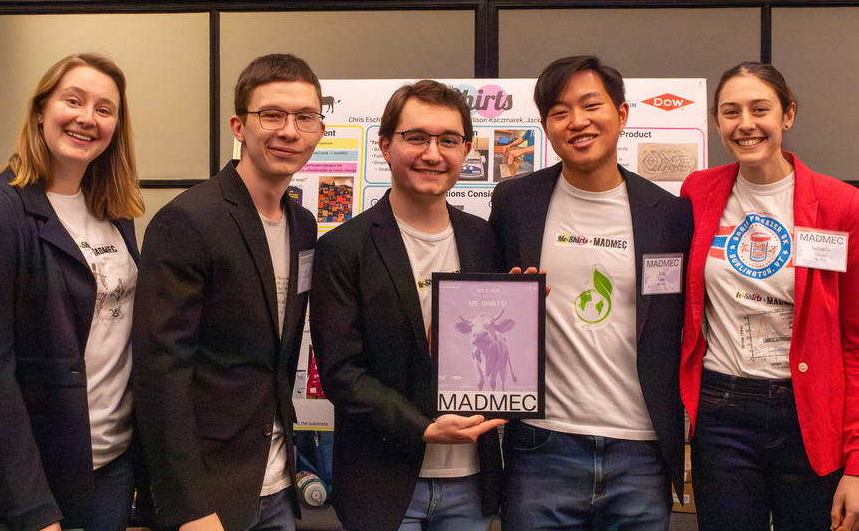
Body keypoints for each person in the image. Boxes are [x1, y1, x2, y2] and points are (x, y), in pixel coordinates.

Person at [489, 55, 693, 531]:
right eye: (560, 112)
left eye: (590, 105)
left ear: (622, 115)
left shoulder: (668, 214)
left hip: (639, 449)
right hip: (542, 444)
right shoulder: (516, 202)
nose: (576, 122)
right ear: (544, 126)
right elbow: (490, 299)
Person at [131, 54, 323, 531]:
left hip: (277, 483)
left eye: (305, 117)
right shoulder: (190, 220)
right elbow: (160, 372)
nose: (289, 131)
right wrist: (190, 506)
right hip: (210, 494)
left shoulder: (303, 224)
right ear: (239, 126)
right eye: (272, 115)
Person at [0, 53, 145, 531]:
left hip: (110, 465)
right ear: (41, 110)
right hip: (31, 480)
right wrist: (35, 508)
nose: (88, 118)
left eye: (105, 109)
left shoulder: (114, 211)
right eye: (73, 101)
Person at [310, 80, 505, 531]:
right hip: (382, 482)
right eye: (416, 137)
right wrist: (423, 426)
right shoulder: (344, 247)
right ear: (385, 145)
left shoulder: (484, 240)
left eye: (448, 140)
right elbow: (342, 374)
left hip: (472, 483)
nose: (433, 154)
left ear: (466, 149)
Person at [680, 62, 859, 531]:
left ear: (788, 115)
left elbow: (855, 342)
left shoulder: (840, 205)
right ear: (716, 122)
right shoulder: (698, 192)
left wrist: (858, 464)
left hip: (810, 416)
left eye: (760, 109)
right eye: (730, 112)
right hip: (722, 412)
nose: (745, 124)